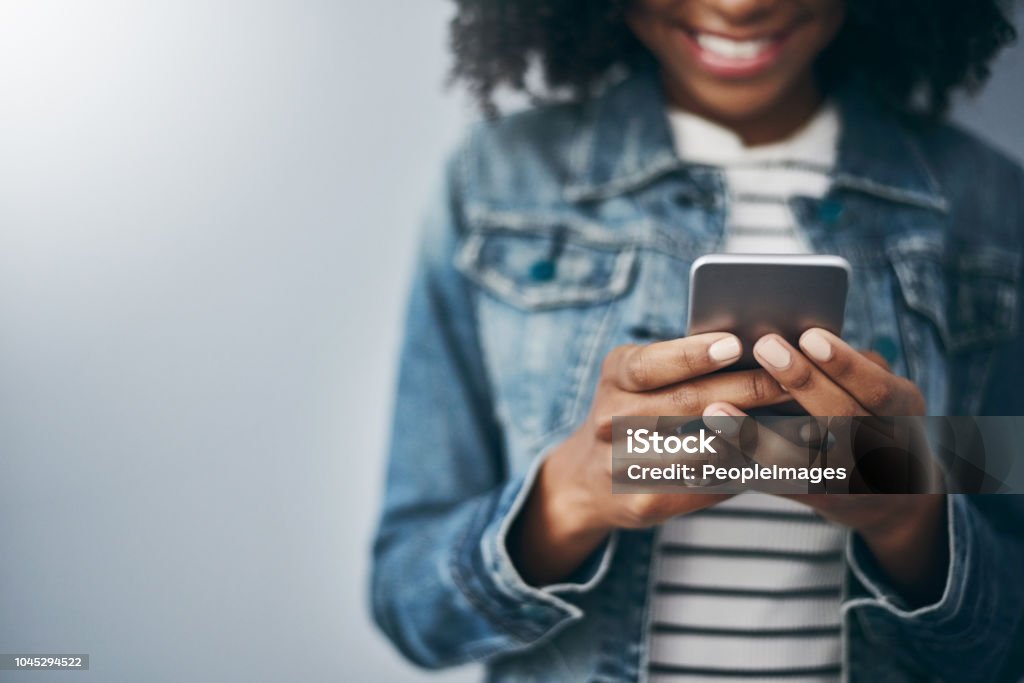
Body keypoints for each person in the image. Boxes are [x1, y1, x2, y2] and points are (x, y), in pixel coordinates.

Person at [371, 1, 1024, 680]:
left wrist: (910, 521)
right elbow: (410, 604)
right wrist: (572, 496)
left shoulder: (992, 209)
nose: (740, 6)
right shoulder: (497, 185)